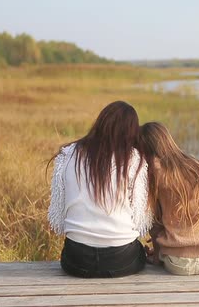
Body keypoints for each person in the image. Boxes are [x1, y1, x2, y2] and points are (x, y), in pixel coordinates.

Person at [48, 101, 152, 278]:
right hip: (123, 261)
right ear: (131, 131)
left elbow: (57, 220)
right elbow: (141, 222)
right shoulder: (134, 159)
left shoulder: (68, 154)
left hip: (76, 261)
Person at [140, 122, 199, 275]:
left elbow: (156, 227)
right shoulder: (198, 168)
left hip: (180, 263)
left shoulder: (153, 175)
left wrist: (157, 257)